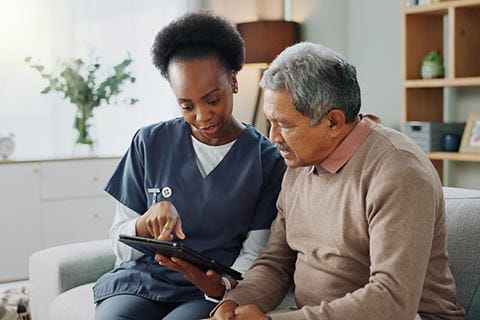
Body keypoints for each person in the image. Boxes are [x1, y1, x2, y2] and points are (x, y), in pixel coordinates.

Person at [210, 42, 465, 320]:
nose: (274, 137)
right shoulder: (299, 162)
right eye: (270, 122)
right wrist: (232, 303)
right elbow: (277, 264)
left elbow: (392, 301)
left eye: (284, 124)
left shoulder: (398, 171)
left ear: (333, 122)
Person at [93, 12, 286, 320]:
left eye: (212, 100)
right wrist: (145, 223)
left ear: (233, 82)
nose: (201, 116)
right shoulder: (149, 142)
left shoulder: (267, 160)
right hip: (140, 281)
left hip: (205, 290)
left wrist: (221, 284)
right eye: (187, 105)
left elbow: (257, 252)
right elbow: (121, 243)